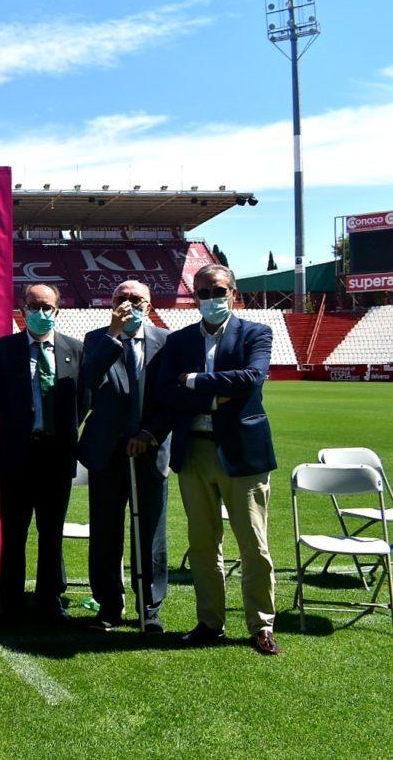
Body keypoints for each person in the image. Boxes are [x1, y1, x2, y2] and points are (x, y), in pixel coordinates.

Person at [142, 263, 280, 655]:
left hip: (243, 452)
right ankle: (209, 622)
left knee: (254, 546)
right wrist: (214, 394)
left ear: (233, 292)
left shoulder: (257, 332)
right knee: (203, 545)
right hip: (195, 450)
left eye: (217, 291)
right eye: (202, 292)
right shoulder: (179, 341)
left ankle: (262, 625)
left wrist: (194, 381)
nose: (210, 299)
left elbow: (251, 378)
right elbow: (168, 392)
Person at [0, 283, 84, 624]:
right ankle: (10, 596)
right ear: (22, 309)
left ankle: (49, 597)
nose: (40, 313)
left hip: (57, 456)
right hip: (17, 454)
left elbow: (81, 401)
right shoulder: (2, 350)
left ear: (57, 310)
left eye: (47, 307)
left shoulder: (75, 350)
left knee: (52, 529)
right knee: (14, 528)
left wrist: (60, 430)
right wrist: (19, 432)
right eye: (33, 306)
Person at [79, 280, 171, 632]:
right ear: (111, 304)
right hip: (106, 452)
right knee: (105, 532)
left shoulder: (167, 342)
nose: (129, 304)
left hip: (150, 450)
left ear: (149, 305)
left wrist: (150, 434)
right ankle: (108, 606)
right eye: (121, 298)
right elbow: (89, 380)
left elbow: (171, 398)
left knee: (151, 533)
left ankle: (150, 607)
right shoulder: (96, 339)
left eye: (136, 299)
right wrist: (114, 336)